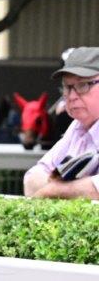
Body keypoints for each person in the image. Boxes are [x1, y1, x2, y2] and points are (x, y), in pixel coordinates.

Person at [24, 47, 99, 199]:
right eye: (67, 86)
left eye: (83, 85)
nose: (71, 96)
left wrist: (55, 191)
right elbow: (32, 178)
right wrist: (66, 189)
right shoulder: (77, 126)